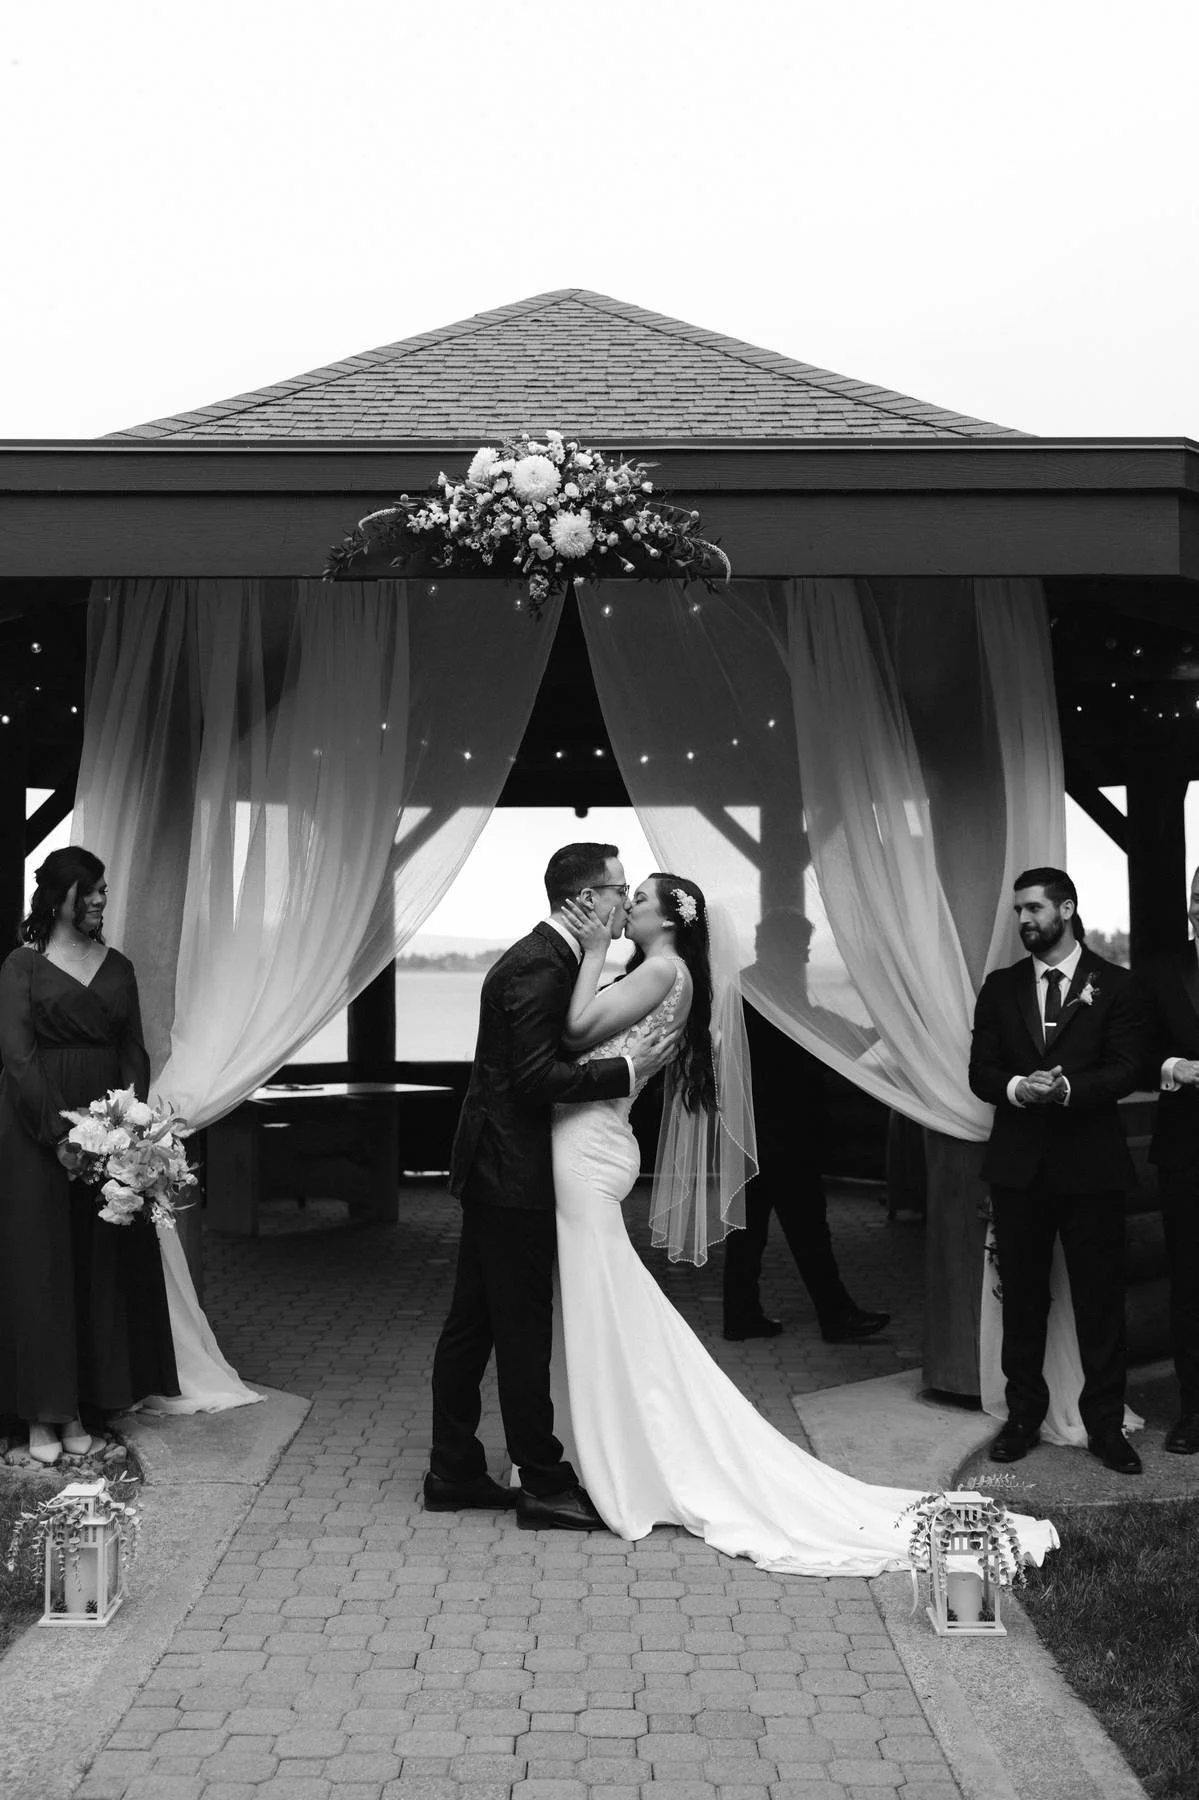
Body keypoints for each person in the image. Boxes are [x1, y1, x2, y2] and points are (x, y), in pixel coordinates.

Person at [545, 872, 1057, 1575]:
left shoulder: (666, 970)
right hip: (627, 1142)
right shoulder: (701, 978)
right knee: (609, 1299)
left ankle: (623, 1445)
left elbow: (574, 1032)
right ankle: (601, 1434)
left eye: (636, 899)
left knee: (618, 1296)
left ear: (671, 919)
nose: (623, 904)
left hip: (614, 1143)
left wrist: (588, 950)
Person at [426, 843, 680, 1530]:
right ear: (585, 898)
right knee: (517, 1330)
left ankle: (451, 1471)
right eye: (618, 888)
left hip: (498, 1168)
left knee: (473, 1324)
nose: (625, 901)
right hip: (512, 1175)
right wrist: (626, 1073)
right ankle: (539, 1481)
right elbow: (533, 1079)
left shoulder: (553, 958)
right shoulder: (542, 965)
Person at [0, 848, 179, 1463]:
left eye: (105, 889)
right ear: (59, 897)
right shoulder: (22, 967)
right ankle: (43, 1416)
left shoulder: (120, 966)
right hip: (35, 1133)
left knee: (96, 1265)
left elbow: (135, 1050)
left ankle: (88, 1401)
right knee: (42, 1267)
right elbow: (18, 1059)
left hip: (107, 1136)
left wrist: (126, 1126)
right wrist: (59, 1136)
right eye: (92, 890)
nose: (102, 899)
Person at [968, 866, 1146, 1474]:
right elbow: (981, 1071)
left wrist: (1068, 1087)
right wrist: (1020, 1086)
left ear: (1066, 910)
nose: (1023, 920)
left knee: (1100, 1300)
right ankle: (1023, 1418)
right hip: (1019, 1167)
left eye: (1034, 909)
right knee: (1022, 1298)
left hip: (1091, 1166)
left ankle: (1105, 1425)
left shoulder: (1115, 985)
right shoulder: (1000, 987)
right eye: (1018, 910)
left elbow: (1127, 1068)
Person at [723, 910, 890, 1343]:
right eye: (803, 948)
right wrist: (866, 1033)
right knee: (807, 1228)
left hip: (754, 1128)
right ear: (784, 946)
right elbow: (809, 1030)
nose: (807, 957)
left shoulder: (750, 983)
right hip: (782, 1130)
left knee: (750, 1229)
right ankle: (835, 1317)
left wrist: (862, 1033)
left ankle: (741, 1315)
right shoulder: (768, 986)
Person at [1136, 863, 1199, 1455]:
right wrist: (1172, 1069)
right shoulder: (1159, 970)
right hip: (1187, 1151)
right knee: (1191, 1285)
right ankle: (1193, 1413)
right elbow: (1134, 1054)